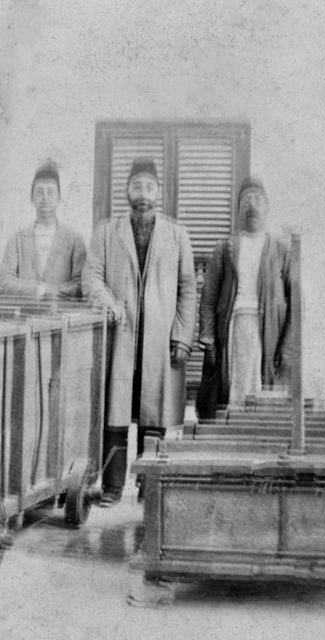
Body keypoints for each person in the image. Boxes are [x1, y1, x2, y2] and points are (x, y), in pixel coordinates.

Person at [83, 158, 197, 505]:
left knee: (155, 412)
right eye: (136, 187)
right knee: (116, 411)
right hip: (121, 335)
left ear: (158, 192)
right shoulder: (107, 231)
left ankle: (149, 487)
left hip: (159, 339)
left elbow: (188, 287)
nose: (143, 194)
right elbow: (91, 276)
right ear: (126, 191)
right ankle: (113, 486)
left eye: (149, 187)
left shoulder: (177, 234)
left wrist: (181, 336)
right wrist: (108, 301)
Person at [195, 177, 295, 419]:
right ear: (238, 209)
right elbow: (208, 300)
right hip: (233, 330)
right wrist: (208, 338)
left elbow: (296, 304)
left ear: (268, 207)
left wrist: (288, 346)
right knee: (231, 392)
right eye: (246, 200)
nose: (252, 205)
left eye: (258, 199)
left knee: (264, 395)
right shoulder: (224, 249)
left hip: (268, 331)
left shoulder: (281, 250)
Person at [0, 161, 87, 299]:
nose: (45, 198)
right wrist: (39, 291)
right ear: (31, 197)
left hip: (61, 314)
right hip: (24, 314)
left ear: (60, 198)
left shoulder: (74, 239)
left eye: (51, 192)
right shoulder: (17, 238)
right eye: (39, 192)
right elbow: (3, 283)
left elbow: (81, 284)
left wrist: (54, 293)